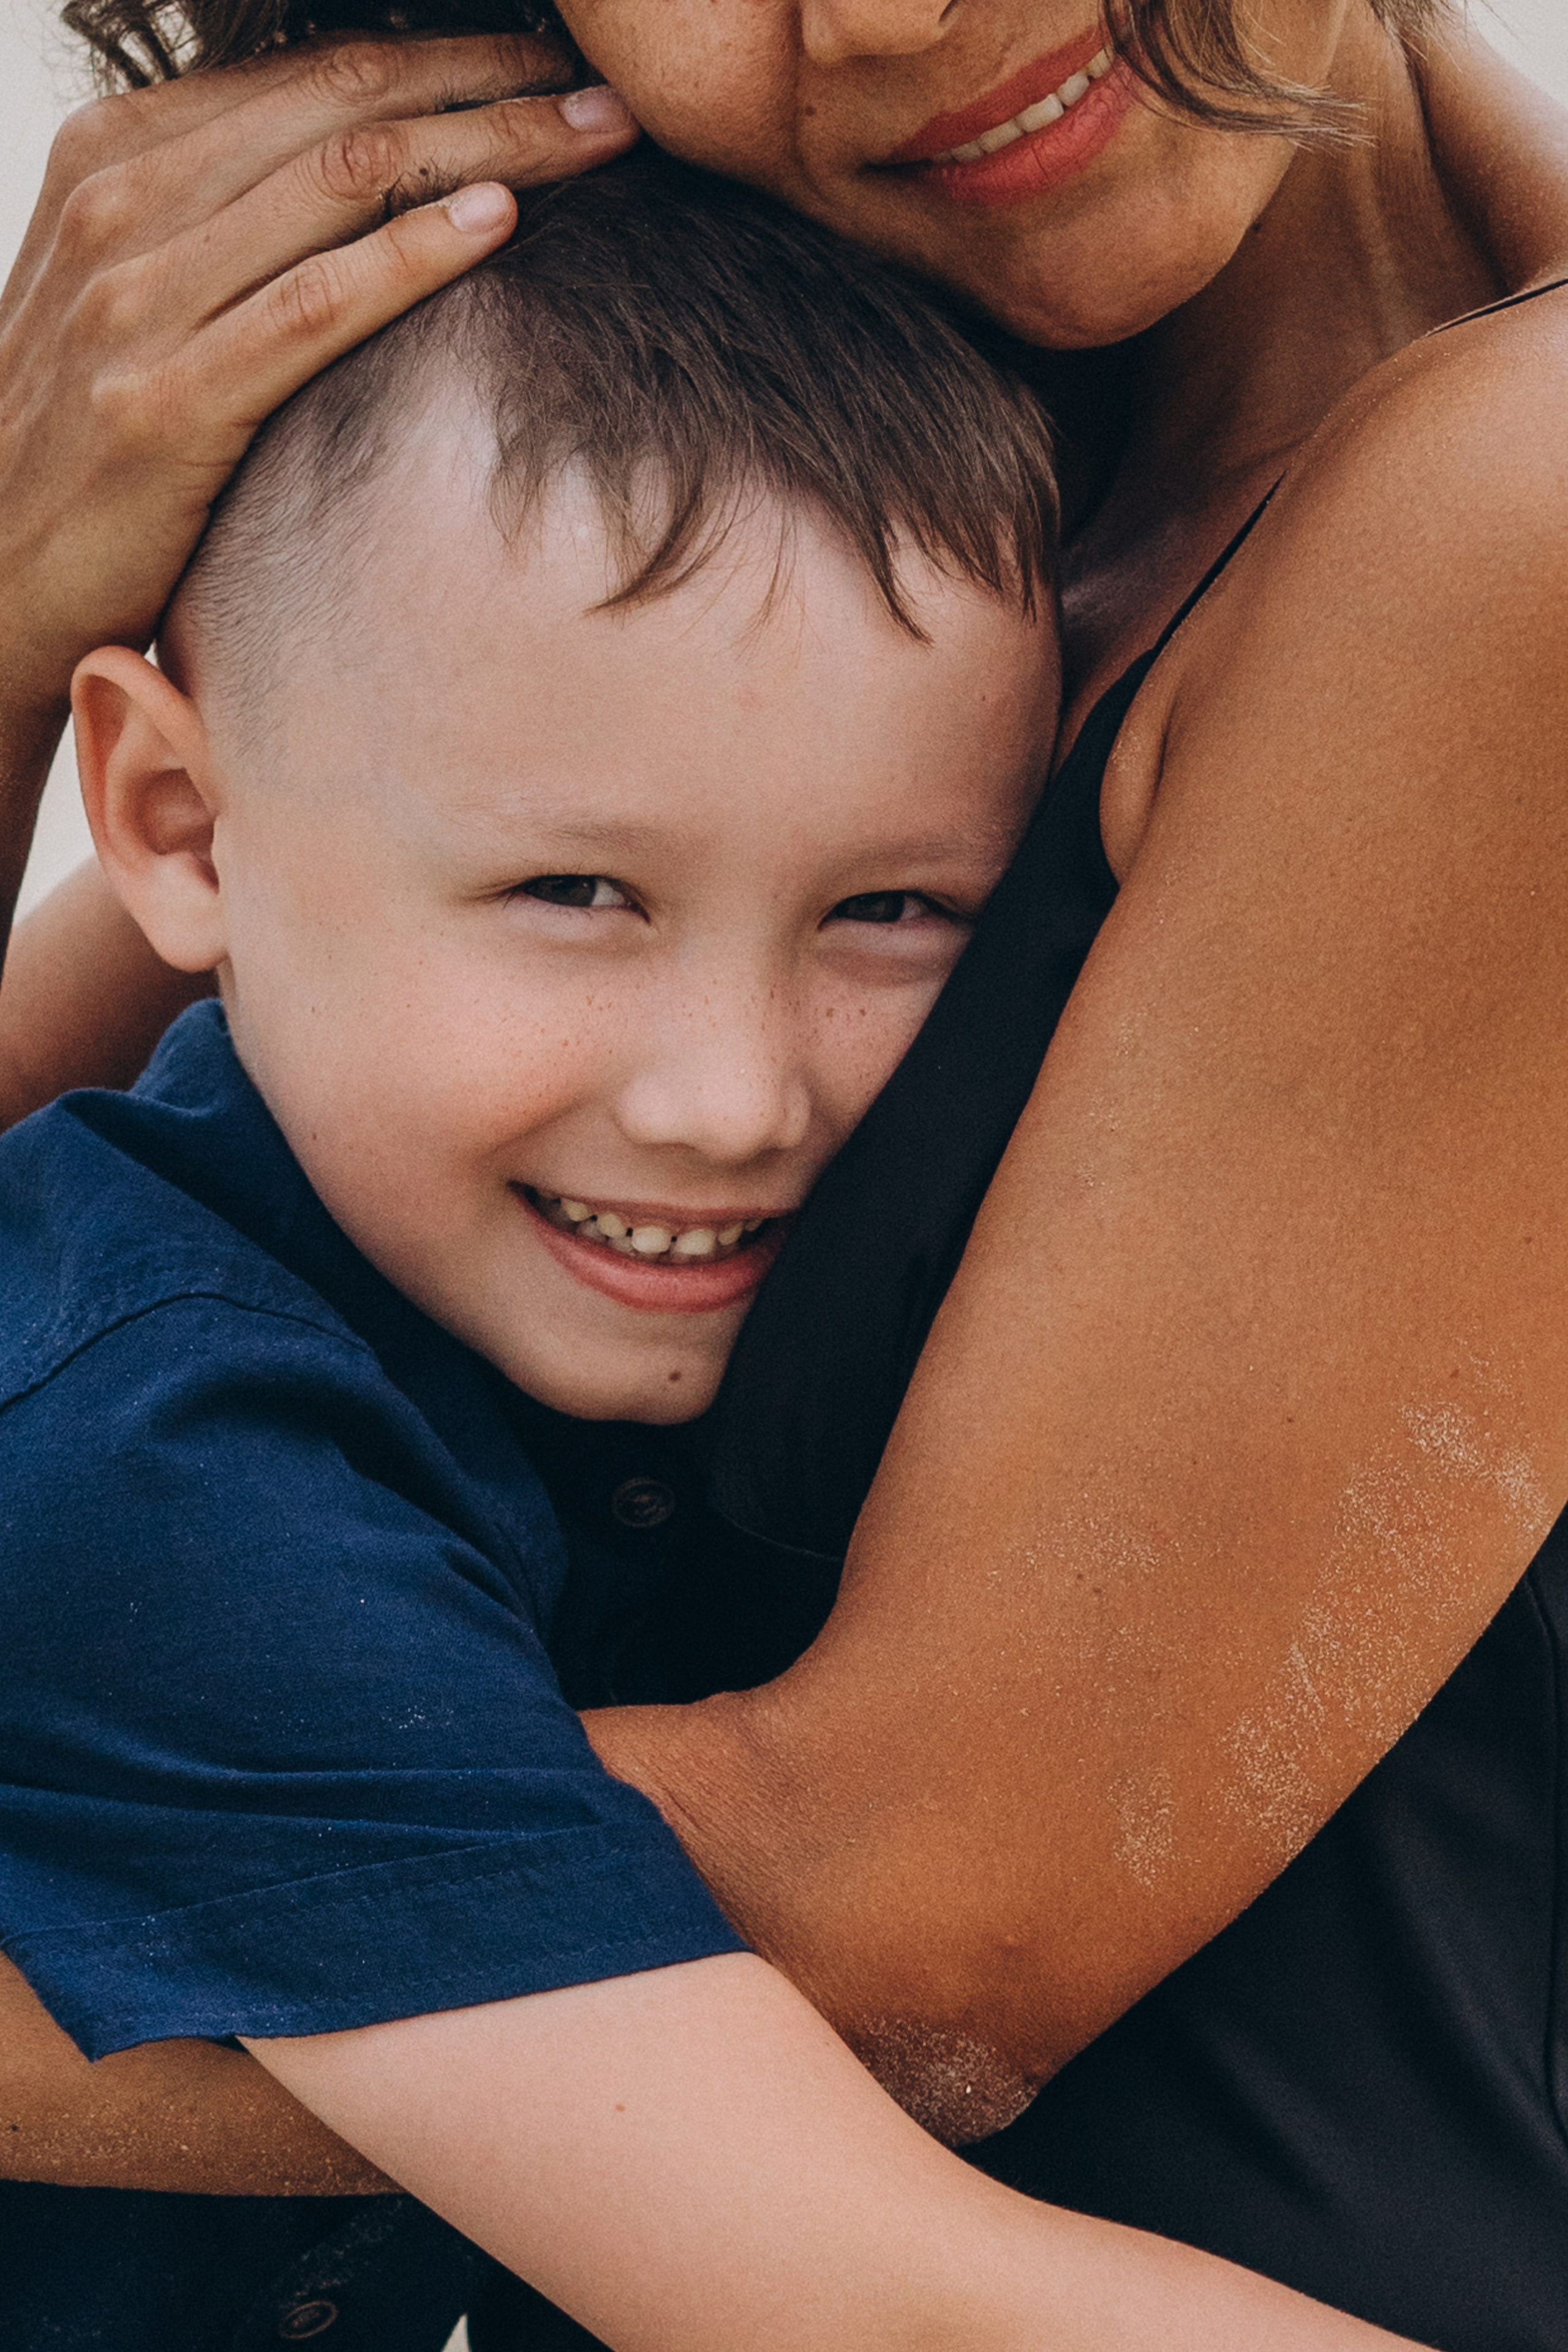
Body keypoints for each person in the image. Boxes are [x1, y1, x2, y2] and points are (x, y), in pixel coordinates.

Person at [2, 0, 1567, 2346]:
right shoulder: (800, 460)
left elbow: (923, 1922)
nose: (916, 7)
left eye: (890, 914)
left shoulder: (1518, 505)